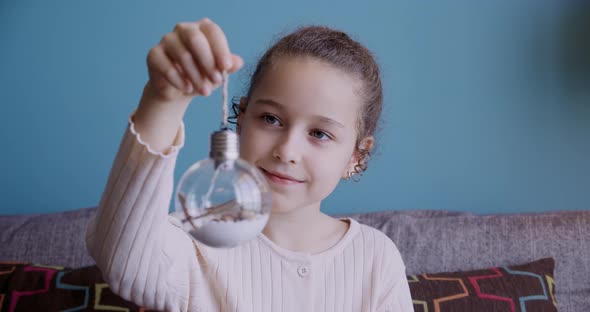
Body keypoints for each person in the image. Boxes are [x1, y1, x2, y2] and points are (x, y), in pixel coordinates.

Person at [85, 17, 414, 312]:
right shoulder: (194, 237)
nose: (287, 151)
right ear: (241, 120)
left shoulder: (375, 258)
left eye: (320, 134)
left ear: (356, 155)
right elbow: (123, 261)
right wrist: (163, 100)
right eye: (271, 119)